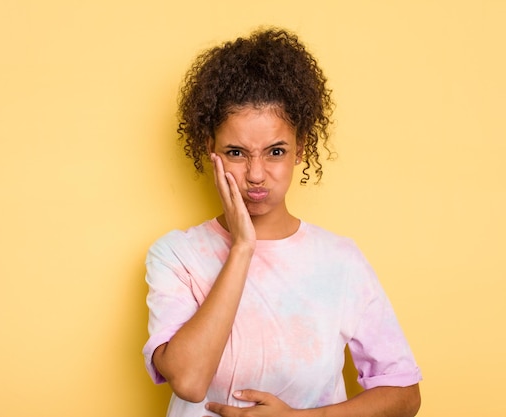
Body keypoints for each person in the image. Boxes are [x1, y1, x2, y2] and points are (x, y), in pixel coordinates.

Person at [143, 27, 422, 417]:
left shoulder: (340, 260)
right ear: (211, 150)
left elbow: (404, 394)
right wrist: (242, 247)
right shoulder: (176, 255)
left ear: (300, 148)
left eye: (275, 151)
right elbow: (189, 382)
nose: (256, 174)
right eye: (236, 152)